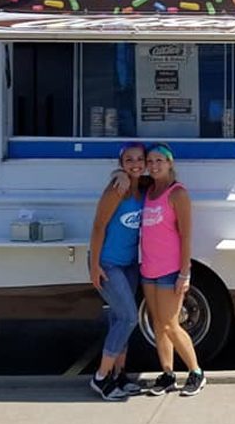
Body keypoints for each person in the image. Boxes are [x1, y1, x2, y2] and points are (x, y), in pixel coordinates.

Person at [141, 142, 206, 396]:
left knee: (170, 324)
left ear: (170, 163)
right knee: (158, 324)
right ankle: (168, 374)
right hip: (148, 269)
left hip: (170, 270)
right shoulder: (148, 191)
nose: (154, 166)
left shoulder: (177, 194)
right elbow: (124, 176)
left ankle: (196, 372)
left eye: (159, 161)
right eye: (150, 161)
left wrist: (184, 272)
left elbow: (186, 236)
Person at [88, 142, 146, 401]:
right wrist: (94, 265)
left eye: (139, 159)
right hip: (108, 264)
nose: (135, 164)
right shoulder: (116, 188)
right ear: (121, 164)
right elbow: (98, 227)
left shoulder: (142, 189)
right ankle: (101, 377)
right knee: (129, 318)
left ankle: (119, 375)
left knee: (118, 319)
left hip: (129, 264)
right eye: (129, 160)